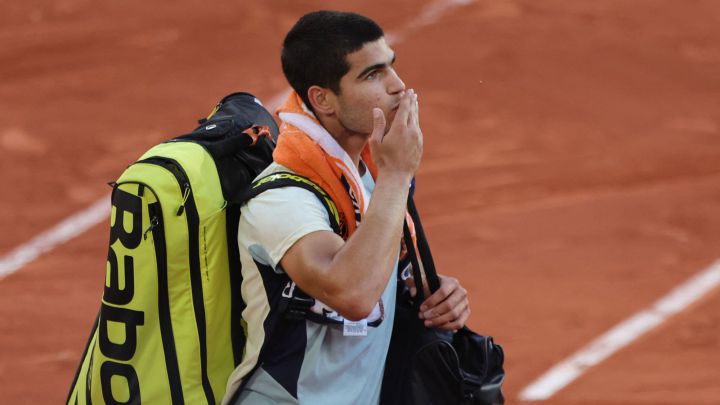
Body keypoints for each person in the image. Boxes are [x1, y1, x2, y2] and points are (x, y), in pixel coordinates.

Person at [222, 10, 470, 405]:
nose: (398, 86)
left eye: (391, 66)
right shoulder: (284, 199)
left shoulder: (369, 176)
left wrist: (424, 290)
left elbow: (375, 267)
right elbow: (353, 295)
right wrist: (396, 178)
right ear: (323, 99)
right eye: (372, 75)